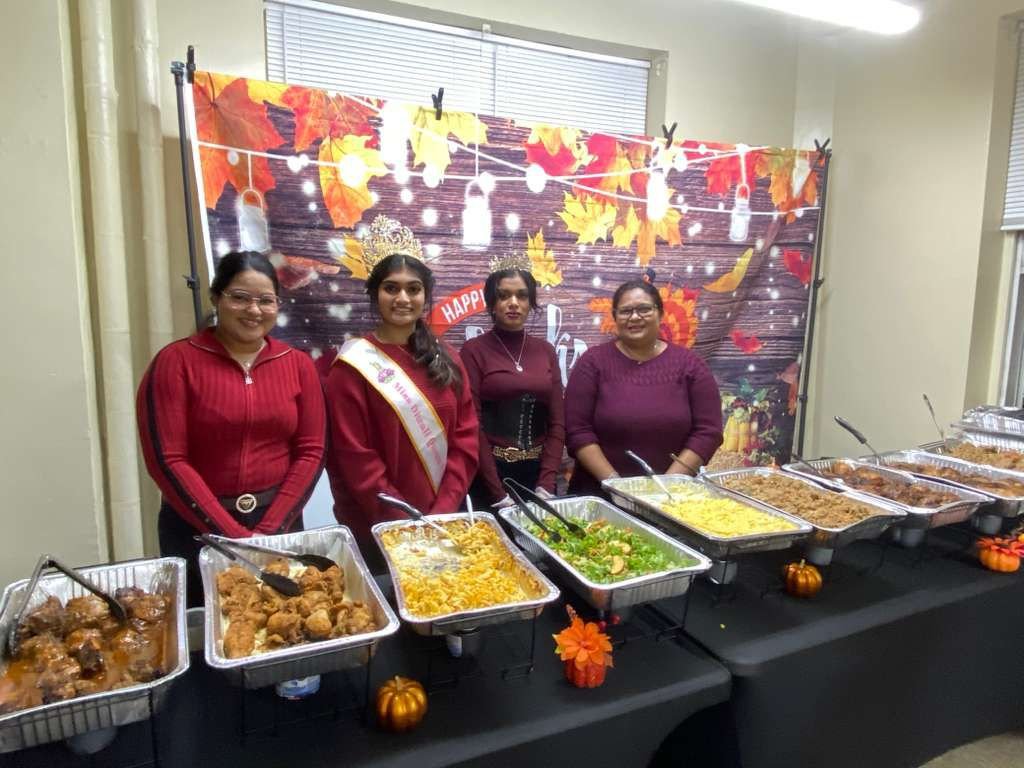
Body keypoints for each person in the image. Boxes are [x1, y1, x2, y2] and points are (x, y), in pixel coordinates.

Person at [137, 251, 326, 605]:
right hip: (195, 529)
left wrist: (269, 531)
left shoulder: (298, 365)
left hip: (278, 526)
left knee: (279, 623)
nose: (253, 310)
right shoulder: (175, 362)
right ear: (216, 297)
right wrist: (232, 534)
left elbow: (312, 451)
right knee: (203, 625)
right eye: (240, 297)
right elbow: (168, 459)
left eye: (266, 300)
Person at [324, 216, 478, 552]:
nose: (403, 298)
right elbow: (356, 459)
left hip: (444, 523)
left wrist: (442, 512)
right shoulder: (351, 367)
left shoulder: (448, 359)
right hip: (379, 528)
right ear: (374, 294)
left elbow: (466, 442)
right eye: (391, 288)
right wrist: (404, 524)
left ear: (426, 295)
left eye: (413, 288)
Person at [564, 279, 723, 496]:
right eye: (626, 311)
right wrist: (617, 487)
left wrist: (665, 488)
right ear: (614, 317)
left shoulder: (690, 366)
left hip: (673, 498)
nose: (635, 317)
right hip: (599, 495)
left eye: (644, 309)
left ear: (660, 313)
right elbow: (577, 431)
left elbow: (708, 432)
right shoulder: (592, 363)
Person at [460, 255, 565, 508]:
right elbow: (473, 424)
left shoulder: (546, 351)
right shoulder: (474, 350)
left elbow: (558, 423)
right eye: (504, 295)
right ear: (491, 303)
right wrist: (497, 493)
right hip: (489, 477)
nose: (514, 303)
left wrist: (546, 483)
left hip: (538, 475)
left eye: (522, 295)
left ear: (531, 302)